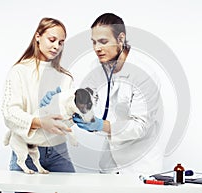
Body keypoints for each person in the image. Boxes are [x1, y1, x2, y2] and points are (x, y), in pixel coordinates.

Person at [41, 13, 165, 175]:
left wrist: (101, 125)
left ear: (121, 39)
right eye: (94, 42)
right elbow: (86, 98)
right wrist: (62, 99)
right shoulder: (99, 67)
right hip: (111, 162)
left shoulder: (144, 74)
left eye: (103, 42)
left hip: (139, 164)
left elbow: (140, 127)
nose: (97, 48)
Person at [1, 17, 75, 173]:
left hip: (58, 152)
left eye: (61, 42)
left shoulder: (65, 77)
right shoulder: (19, 71)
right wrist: (40, 122)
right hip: (26, 150)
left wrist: (76, 116)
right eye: (52, 40)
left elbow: (67, 116)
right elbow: (9, 112)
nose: (56, 46)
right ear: (38, 36)